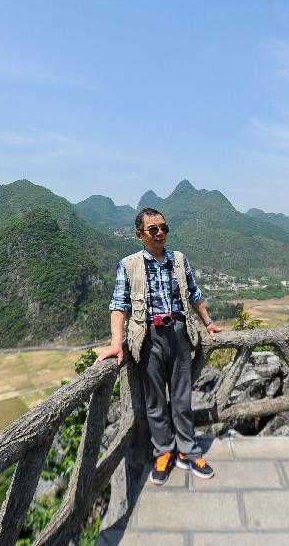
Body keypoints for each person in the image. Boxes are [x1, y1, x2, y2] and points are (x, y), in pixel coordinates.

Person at [97, 207, 223, 485]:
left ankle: (188, 451)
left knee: (181, 397)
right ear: (139, 235)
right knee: (155, 401)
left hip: (179, 333)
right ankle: (164, 452)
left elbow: (194, 294)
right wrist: (117, 343)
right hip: (148, 336)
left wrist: (208, 322)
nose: (161, 233)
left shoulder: (179, 260)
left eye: (164, 227)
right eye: (153, 229)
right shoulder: (128, 265)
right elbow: (119, 306)